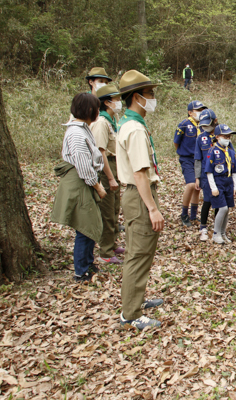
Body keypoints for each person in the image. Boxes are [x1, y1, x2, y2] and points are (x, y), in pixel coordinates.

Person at [116, 70, 164, 330]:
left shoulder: (130, 123)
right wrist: (153, 209)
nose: (153, 98)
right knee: (138, 253)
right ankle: (130, 315)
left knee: (141, 252)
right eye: (150, 94)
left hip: (137, 194)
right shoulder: (134, 129)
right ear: (136, 97)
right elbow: (139, 173)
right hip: (139, 194)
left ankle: (136, 300)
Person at [51, 93, 106, 282]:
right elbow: (83, 165)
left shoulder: (83, 128)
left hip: (84, 181)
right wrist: (98, 186)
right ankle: (81, 271)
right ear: (90, 110)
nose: (99, 112)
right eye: (97, 108)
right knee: (84, 226)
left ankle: (88, 262)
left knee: (90, 223)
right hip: (80, 182)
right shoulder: (76, 132)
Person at [91, 85, 125, 265]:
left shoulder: (112, 121)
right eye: (117, 100)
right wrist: (110, 177)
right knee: (107, 211)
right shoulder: (101, 122)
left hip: (114, 165)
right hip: (106, 169)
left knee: (114, 209)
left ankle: (112, 244)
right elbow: (100, 152)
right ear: (107, 102)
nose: (119, 103)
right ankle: (105, 251)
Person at [174, 101, 206, 227]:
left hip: (199, 160)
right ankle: (184, 214)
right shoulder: (184, 125)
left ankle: (193, 215)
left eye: (202, 110)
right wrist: (182, 153)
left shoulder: (203, 126)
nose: (200, 113)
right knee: (191, 184)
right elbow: (176, 142)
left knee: (198, 186)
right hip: (187, 158)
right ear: (190, 112)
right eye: (198, 110)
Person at [205, 124, 236, 244]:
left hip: (228, 182)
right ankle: (216, 233)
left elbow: (234, 171)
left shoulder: (230, 152)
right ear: (217, 137)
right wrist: (213, 188)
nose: (227, 138)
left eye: (229, 136)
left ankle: (223, 233)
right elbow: (209, 172)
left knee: (227, 209)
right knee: (222, 208)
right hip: (218, 183)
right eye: (225, 136)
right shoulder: (212, 151)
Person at [194, 109, 219, 241]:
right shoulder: (200, 138)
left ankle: (217, 227)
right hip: (205, 174)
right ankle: (203, 226)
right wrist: (197, 177)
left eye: (208, 124)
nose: (206, 127)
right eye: (203, 125)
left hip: (220, 175)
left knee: (219, 201)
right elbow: (197, 159)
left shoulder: (222, 135)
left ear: (215, 121)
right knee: (208, 200)